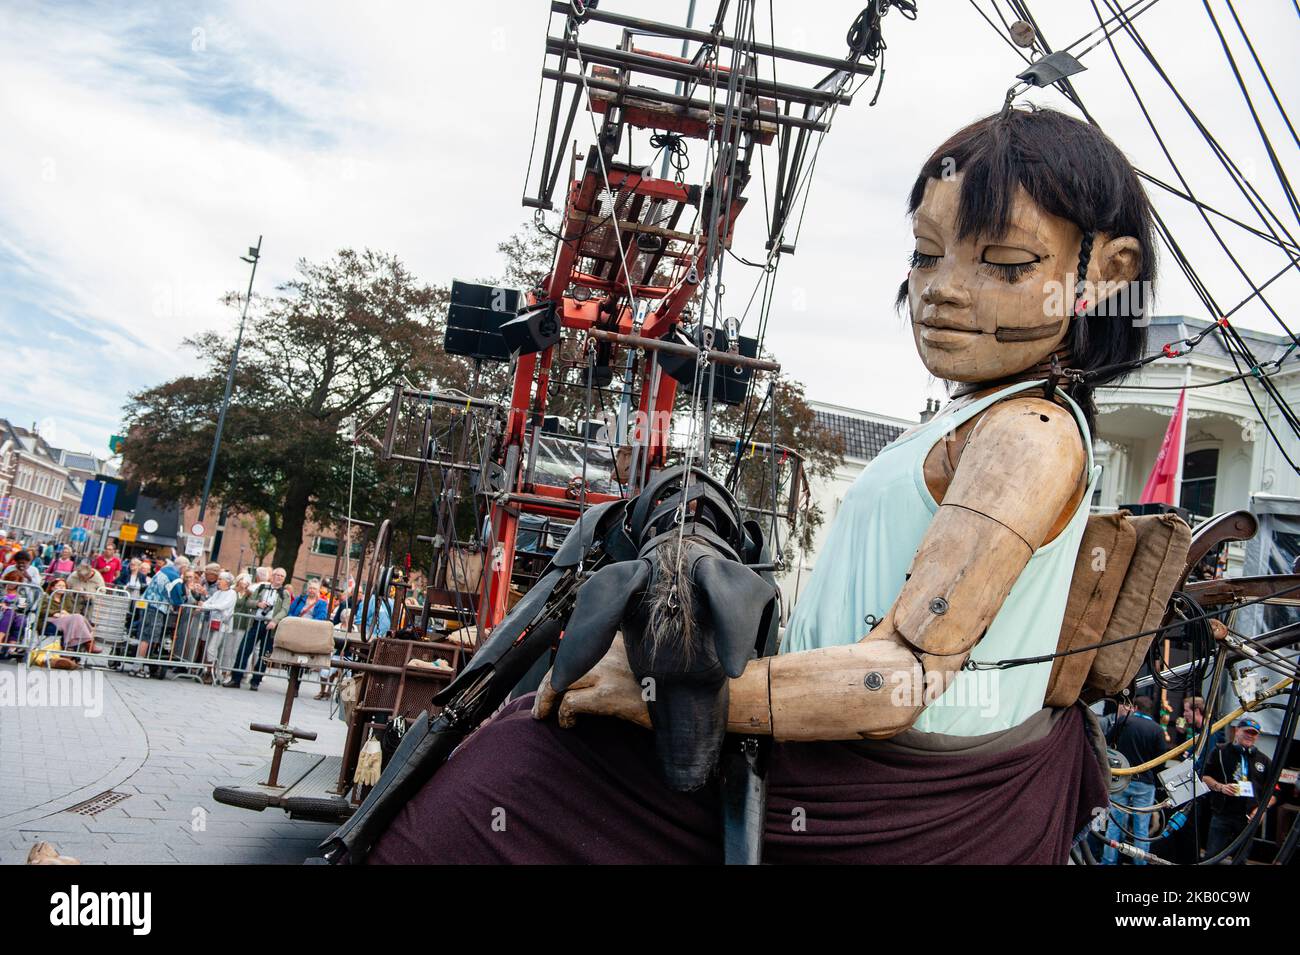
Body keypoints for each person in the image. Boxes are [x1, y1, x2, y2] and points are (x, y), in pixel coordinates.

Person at [365, 107, 1151, 864]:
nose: (942, 288)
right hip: (849, 759)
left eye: (1007, 264)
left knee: (512, 774)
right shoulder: (976, 417)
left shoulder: (1029, 434)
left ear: (1106, 274)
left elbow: (898, 677)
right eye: (925, 253)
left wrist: (654, 696)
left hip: (885, 787)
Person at [1101, 697, 1167, 864]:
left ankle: (1108, 861)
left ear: (1135, 707)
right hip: (1145, 783)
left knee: (1114, 825)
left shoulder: (1124, 722)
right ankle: (1140, 863)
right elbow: (1161, 761)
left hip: (1121, 780)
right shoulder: (1157, 730)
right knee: (1141, 829)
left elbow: (1107, 743)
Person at [1201, 717, 1279, 861]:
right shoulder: (1220, 751)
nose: (1250, 736)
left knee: (1241, 859)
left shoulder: (1264, 760)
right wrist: (1220, 787)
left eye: (1254, 733)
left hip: (1248, 819)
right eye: (1246, 732)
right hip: (1222, 814)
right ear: (1237, 731)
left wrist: (1261, 810)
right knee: (1211, 857)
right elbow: (1204, 776)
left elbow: (1273, 794)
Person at [226, 567, 292, 691]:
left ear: (284, 579)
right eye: (277, 575)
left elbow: (285, 609)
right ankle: (236, 678)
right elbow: (249, 602)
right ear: (272, 576)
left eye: (282, 576)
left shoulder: (285, 593)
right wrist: (258, 604)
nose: (278, 577)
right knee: (244, 650)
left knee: (264, 655)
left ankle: (256, 680)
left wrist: (275, 620)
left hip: (270, 627)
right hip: (256, 622)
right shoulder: (262, 588)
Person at [201, 571, 238, 684]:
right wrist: (207, 605)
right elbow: (207, 602)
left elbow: (222, 606)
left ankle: (210, 672)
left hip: (223, 625)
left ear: (227, 582)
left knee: (212, 648)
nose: (218, 581)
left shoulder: (232, 593)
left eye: (221, 579)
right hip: (213, 622)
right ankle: (210, 670)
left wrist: (208, 606)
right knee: (210, 647)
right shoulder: (217, 593)